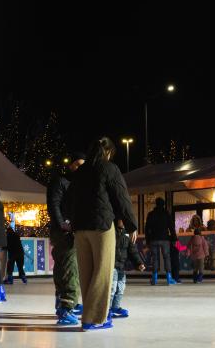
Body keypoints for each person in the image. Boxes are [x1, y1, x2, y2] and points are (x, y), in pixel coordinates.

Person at [67, 136, 138, 331]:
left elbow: (69, 199)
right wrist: (132, 225)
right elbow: (121, 197)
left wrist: (71, 223)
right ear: (107, 152)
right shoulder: (109, 168)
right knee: (103, 271)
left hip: (80, 228)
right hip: (102, 227)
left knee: (87, 273)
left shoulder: (80, 171)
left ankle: (90, 317)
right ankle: (96, 318)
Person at [48, 151, 84, 325]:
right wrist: (63, 225)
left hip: (73, 230)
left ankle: (64, 302)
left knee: (65, 266)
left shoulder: (78, 184)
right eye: (77, 164)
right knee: (69, 267)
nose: (80, 168)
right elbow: (54, 204)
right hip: (63, 231)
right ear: (70, 165)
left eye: (83, 165)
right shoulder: (60, 181)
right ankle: (66, 308)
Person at [109, 219, 145, 318]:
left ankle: (115, 307)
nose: (125, 222)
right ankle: (107, 310)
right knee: (112, 289)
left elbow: (132, 250)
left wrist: (139, 263)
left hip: (121, 266)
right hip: (112, 265)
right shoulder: (111, 232)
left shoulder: (127, 234)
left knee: (120, 288)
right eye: (122, 220)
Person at [145, 197, 176, 285]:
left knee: (155, 258)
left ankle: (154, 279)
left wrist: (148, 240)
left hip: (153, 239)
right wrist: (174, 238)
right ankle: (169, 278)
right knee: (167, 257)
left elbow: (147, 228)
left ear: (156, 204)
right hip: (165, 239)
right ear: (164, 204)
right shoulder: (166, 214)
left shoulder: (151, 214)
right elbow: (171, 227)